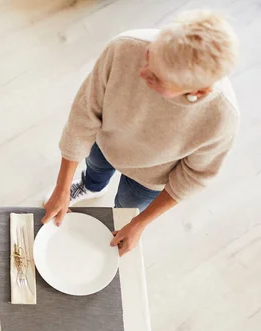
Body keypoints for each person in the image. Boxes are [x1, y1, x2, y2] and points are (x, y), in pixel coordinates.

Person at [43, 10, 239, 256]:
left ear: (198, 92)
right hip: (106, 141)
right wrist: (61, 189)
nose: (141, 73)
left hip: (151, 177)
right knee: (95, 170)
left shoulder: (221, 118)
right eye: (149, 55)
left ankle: (123, 220)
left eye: (156, 79)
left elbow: (193, 178)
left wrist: (140, 223)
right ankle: (90, 185)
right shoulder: (125, 47)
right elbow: (84, 115)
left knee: (125, 209)